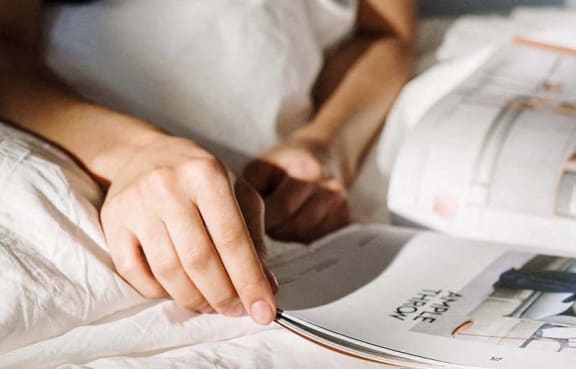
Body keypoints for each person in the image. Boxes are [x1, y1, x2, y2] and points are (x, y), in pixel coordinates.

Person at [0, 0, 415, 323]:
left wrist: (325, 145)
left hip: (284, 167)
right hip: (90, 147)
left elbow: (385, 34)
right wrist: (135, 153)